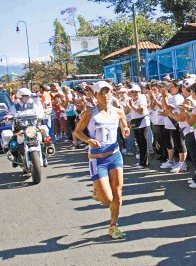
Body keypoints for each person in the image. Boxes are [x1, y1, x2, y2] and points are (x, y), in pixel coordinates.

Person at [74, 81, 130, 239]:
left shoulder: (118, 111)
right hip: (97, 159)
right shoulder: (89, 113)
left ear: (112, 93)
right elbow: (77, 132)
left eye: (108, 92)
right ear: (95, 95)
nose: (106, 96)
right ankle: (97, 188)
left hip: (114, 155)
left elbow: (125, 127)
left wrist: (126, 131)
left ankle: (113, 226)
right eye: (101, 93)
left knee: (118, 194)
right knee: (107, 199)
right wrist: (88, 141)